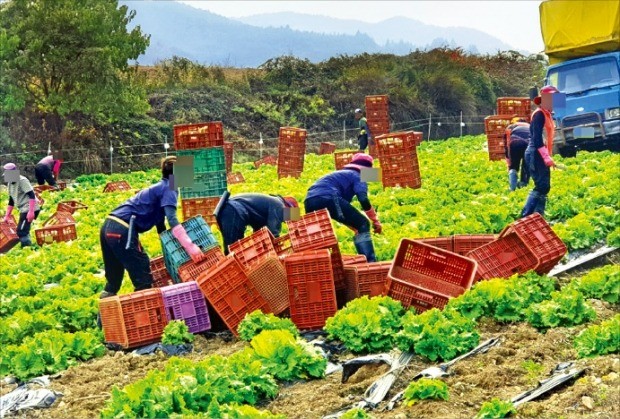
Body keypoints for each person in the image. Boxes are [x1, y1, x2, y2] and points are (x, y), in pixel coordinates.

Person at [99, 156, 203, 299]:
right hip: (123, 229)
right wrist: (190, 247)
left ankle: (103, 319)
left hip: (109, 225)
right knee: (142, 273)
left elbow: (161, 226)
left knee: (114, 279)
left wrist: (170, 251)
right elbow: (172, 218)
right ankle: (140, 313)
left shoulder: (160, 187)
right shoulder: (170, 188)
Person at [304, 152, 382, 262]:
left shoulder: (342, 174)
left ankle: (319, 263)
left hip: (309, 200)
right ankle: (369, 264)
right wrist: (375, 221)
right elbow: (363, 199)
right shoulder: (358, 176)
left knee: (318, 235)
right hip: (329, 197)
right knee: (363, 223)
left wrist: (354, 227)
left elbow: (340, 212)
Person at [215, 193, 299, 255]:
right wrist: (278, 253)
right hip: (234, 210)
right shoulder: (279, 205)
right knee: (234, 251)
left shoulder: (269, 205)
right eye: (288, 217)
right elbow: (273, 234)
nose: (285, 221)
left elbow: (260, 233)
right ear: (288, 208)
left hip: (230, 209)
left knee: (231, 250)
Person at [521, 85, 559, 218]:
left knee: (545, 187)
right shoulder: (539, 114)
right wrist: (546, 157)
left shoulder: (548, 114)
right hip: (535, 153)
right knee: (541, 186)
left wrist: (549, 156)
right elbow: (537, 138)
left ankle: (538, 217)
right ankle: (525, 217)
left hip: (541, 154)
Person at [2, 163, 41, 247]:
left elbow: (31, 195)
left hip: (30, 207)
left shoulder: (22, 180)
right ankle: (28, 244)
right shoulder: (10, 183)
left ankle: (27, 249)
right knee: (23, 228)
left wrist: (31, 212)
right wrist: (7, 215)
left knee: (21, 231)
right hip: (23, 208)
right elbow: (11, 200)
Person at [504, 117, 531, 191]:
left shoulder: (510, 127)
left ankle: (512, 188)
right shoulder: (529, 126)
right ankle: (523, 184)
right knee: (526, 165)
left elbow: (506, 144)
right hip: (528, 143)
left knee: (513, 166)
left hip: (515, 142)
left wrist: (508, 159)